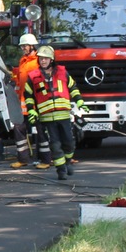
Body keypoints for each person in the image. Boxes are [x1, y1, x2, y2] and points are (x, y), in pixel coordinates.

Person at [24, 45, 86, 182]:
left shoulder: (63, 73)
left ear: (51, 60)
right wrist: (31, 109)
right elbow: (28, 95)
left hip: (63, 116)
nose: (43, 61)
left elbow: (73, 88)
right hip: (46, 118)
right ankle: (61, 170)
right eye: (41, 59)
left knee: (69, 143)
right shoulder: (33, 77)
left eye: (46, 58)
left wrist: (80, 101)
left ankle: (68, 161)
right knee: (55, 145)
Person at [9, 34, 53, 169]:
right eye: (22, 46)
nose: (23, 48)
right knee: (19, 129)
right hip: (24, 102)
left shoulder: (37, 62)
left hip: (36, 103)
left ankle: (46, 160)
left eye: (25, 46)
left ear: (32, 46)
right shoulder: (24, 61)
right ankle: (23, 158)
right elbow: (21, 79)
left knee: (41, 131)